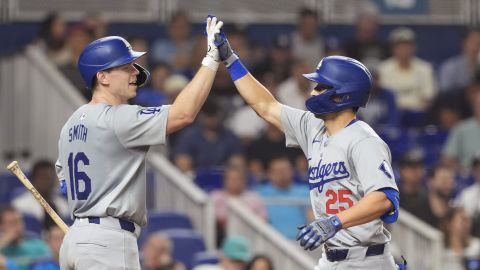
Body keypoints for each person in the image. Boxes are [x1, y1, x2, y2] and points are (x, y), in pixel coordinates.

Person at [211, 24, 401, 269]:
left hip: (366, 260)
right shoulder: (312, 126)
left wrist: (334, 222)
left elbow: (385, 198)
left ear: (342, 95)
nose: (313, 91)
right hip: (331, 258)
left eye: (321, 87)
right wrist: (231, 59)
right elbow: (265, 105)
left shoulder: (363, 140)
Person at [55, 16, 224, 269]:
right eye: (125, 67)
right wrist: (211, 59)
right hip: (108, 241)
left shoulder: (71, 123)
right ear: (102, 77)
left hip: (77, 239)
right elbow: (183, 113)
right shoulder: (118, 118)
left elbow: (65, 183)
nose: (136, 72)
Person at [12, 160, 68, 231]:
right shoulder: (20, 205)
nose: (47, 182)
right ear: (33, 179)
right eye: (42, 178)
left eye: (49, 178)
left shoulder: (62, 204)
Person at [0, 206, 51, 270]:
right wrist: (2, 242)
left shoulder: (37, 245)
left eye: (19, 221)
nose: (17, 226)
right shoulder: (1, 249)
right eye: (11, 223)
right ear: (1, 226)